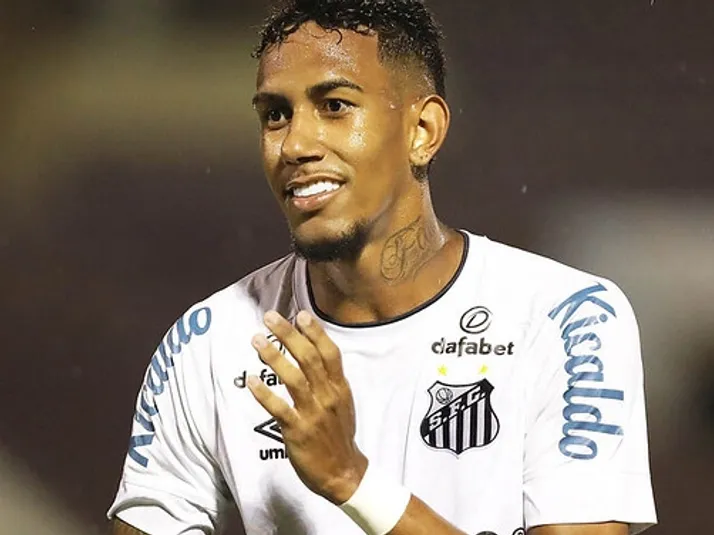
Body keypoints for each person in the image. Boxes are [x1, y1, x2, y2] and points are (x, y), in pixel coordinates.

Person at [107, 1, 658, 534]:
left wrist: (351, 480)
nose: (295, 144)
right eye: (276, 114)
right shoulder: (208, 343)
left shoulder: (568, 321)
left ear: (423, 131)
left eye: (335, 106)